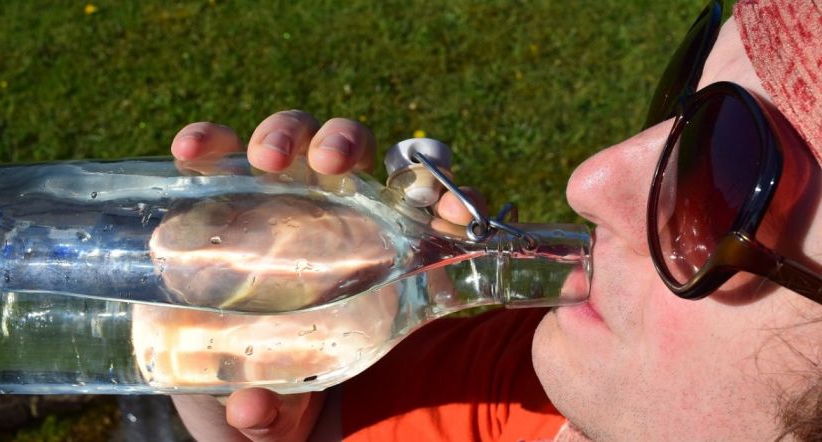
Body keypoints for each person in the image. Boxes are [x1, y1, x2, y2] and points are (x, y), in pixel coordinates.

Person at [168, 0, 822, 440]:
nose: (589, 184)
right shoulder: (526, 392)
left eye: (724, 171)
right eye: (683, 103)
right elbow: (309, 424)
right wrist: (226, 355)